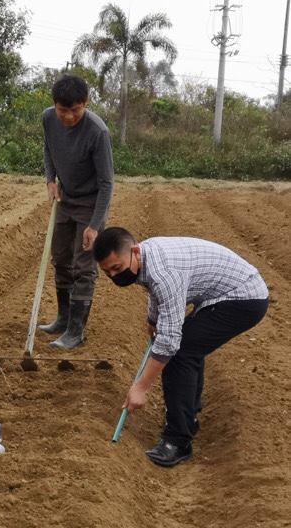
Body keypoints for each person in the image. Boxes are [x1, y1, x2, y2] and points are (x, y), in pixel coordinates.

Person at [94, 228, 269, 467]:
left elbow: (169, 341)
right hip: (219, 295)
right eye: (107, 272)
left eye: (117, 267)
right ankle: (188, 417)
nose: (114, 276)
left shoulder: (165, 271)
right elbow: (155, 293)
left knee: (180, 351)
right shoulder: (145, 256)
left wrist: (141, 387)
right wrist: (152, 321)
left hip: (244, 297)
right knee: (187, 345)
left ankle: (178, 441)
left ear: (134, 251)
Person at [37, 75, 114, 350]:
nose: (69, 116)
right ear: (54, 106)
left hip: (90, 204)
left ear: (86, 104)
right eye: (63, 110)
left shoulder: (97, 132)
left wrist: (95, 225)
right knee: (61, 258)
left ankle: (76, 331)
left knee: (84, 266)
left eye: (76, 110)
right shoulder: (48, 119)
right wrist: (50, 179)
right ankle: (63, 319)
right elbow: (48, 148)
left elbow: (107, 183)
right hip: (65, 200)